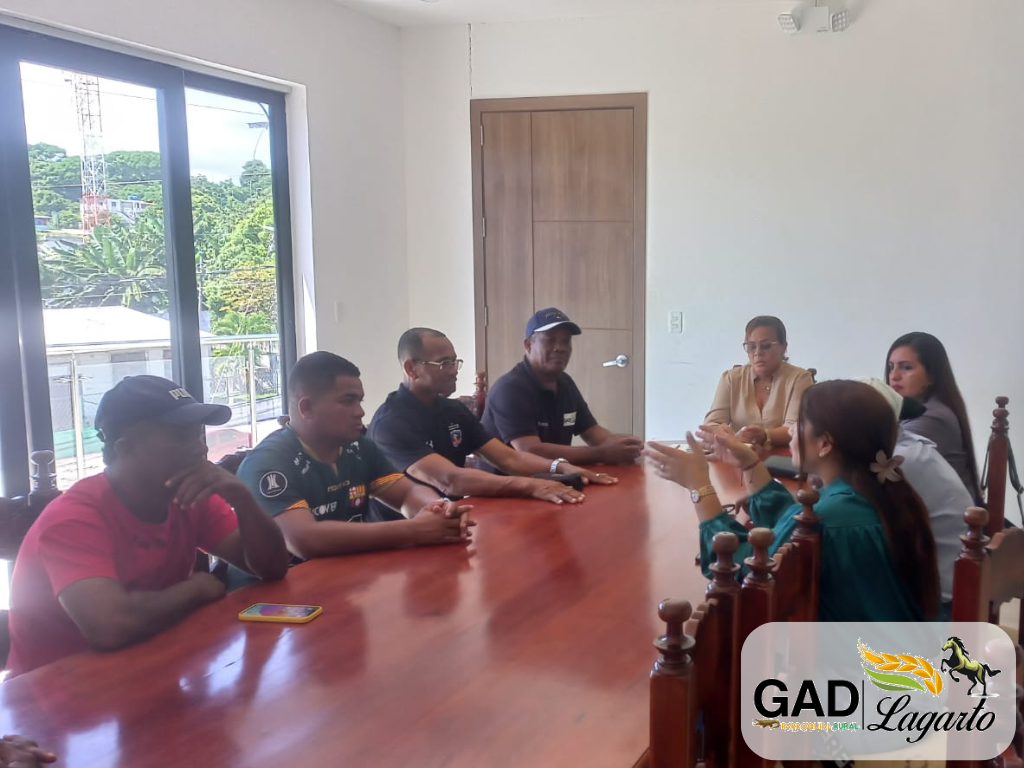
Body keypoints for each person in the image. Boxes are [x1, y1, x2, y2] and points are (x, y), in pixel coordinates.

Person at [7, 376, 290, 676]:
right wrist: (195, 589)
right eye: (181, 436)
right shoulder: (74, 518)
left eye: (198, 434)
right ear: (125, 448)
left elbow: (271, 568)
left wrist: (243, 499)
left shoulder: (187, 495)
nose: (200, 449)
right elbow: (111, 627)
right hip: (58, 690)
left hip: (151, 668)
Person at [644, 379, 940, 622]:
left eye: (798, 423)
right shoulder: (872, 494)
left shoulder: (826, 520)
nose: (789, 431)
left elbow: (743, 578)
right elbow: (792, 523)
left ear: (825, 443)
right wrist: (749, 463)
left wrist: (699, 486)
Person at [236, 351, 473, 562]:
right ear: (306, 408)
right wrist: (415, 530)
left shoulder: (358, 446)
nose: (360, 412)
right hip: (273, 592)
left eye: (359, 401)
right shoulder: (268, 463)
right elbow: (304, 540)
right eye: (347, 401)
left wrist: (438, 509)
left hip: (340, 577)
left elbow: (407, 493)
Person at [369, 328, 618, 504]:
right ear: (411, 369)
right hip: (399, 536)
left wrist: (561, 467)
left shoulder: (453, 410)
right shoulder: (390, 423)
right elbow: (450, 480)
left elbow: (509, 458)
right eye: (444, 363)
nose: (454, 371)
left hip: (452, 519)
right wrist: (531, 485)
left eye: (455, 362)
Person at [858, 378, 973, 611]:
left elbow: (851, 522)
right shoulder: (905, 447)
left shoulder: (897, 461)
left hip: (941, 604)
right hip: (951, 584)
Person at [480, 308, 643, 467]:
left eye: (565, 341)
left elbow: (592, 432)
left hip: (555, 477)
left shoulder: (565, 383)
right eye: (550, 340)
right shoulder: (509, 389)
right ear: (529, 345)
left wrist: (627, 446)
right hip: (510, 482)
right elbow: (529, 450)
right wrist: (602, 453)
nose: (560, 348)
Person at [885, 331, 982, 503]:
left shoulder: (934, 417)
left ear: (932, 375)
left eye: (906, 367)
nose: (894, 376)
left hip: (951, 517)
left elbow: (882, 463)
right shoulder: (910, 409)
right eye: (891, 367)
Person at [703, 316, 813, 451]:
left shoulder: (800, 378)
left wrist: (765, 435)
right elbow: (713, 423)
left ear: (783, 347)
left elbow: (796, 428)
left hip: (784, 456)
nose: (757, 353)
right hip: (738, 454)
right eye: (751, 347)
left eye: (766, 346)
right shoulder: (731, 378)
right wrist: (723, 433)